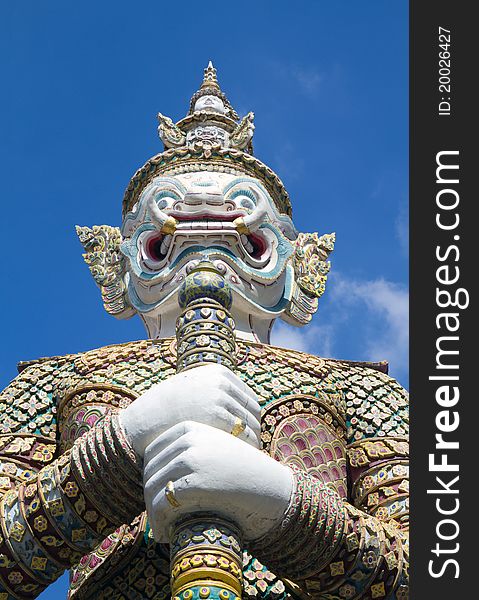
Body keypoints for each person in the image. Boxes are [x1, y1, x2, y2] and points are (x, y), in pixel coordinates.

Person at [0, 62, 408, 600]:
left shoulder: (364, 392)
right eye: (164, 227)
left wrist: (281, 502)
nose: (202, 223)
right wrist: (120, 448)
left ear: (298, 262)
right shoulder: (52, 385)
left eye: (247, 227)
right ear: (118, 263)